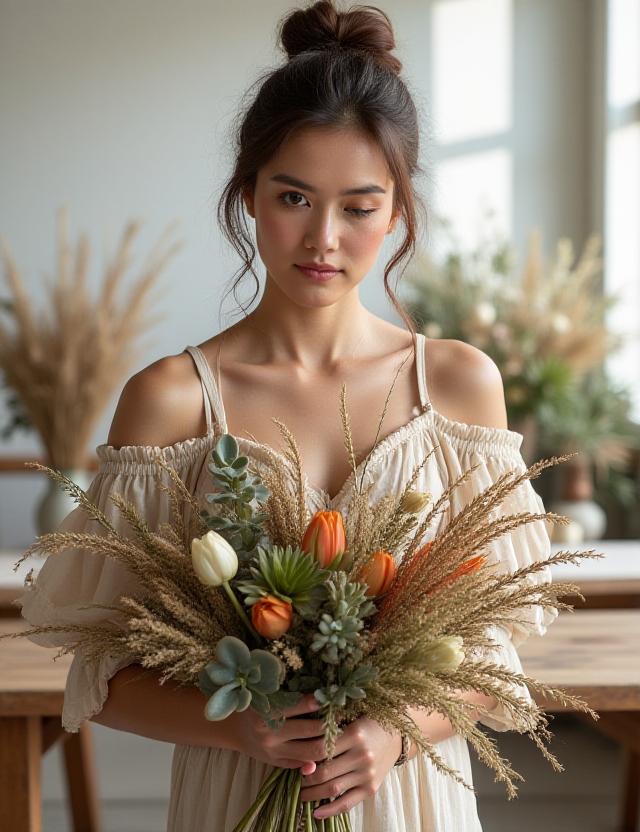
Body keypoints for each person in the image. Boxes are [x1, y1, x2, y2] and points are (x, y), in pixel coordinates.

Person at [18, 1, 559, 829]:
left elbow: (494, 655)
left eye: (360, 205)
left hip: (411, 799)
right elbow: (101, 674)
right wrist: (241, 724)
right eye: (295, 196)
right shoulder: (170, 399)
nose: (324, 239)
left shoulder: (457, 387)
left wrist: (398, 733)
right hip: (236, 800)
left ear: (400, 210)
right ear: (248, 195)